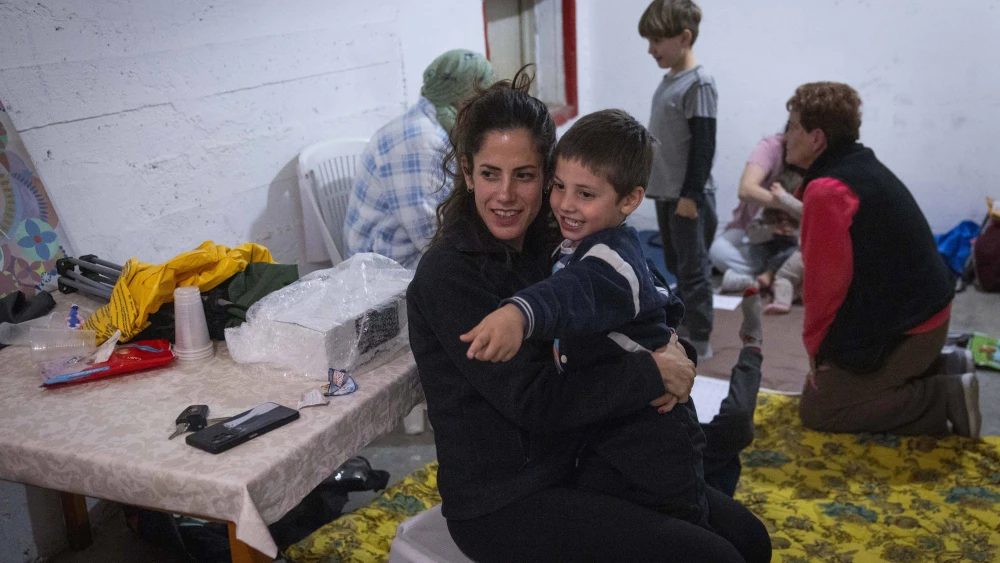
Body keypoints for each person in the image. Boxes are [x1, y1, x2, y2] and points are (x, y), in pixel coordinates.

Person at [407, 71, 771, 562]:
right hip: (506, 500)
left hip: (583, 459)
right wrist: (650, 373)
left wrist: (675, 353)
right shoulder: (448, 275)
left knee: (750, 538)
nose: (506, 195)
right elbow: (536, 402)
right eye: (490, 174)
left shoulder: (558, 238)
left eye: (526, 175)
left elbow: (638, 302)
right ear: (468, 173)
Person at [461, 108, 768, 504]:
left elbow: (575, 290)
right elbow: (664, 299)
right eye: (558, 186)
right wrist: (668, 335)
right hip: (607, 430)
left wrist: (518, 313)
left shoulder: (611, 258)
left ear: (630, 200)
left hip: (656, 437)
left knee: (688, 519)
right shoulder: (574, 242)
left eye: (585, 194)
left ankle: (748, 365)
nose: (565, 205)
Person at [786, 81, 981, 439]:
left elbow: (825, 288)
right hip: (928, 316)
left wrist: (818, 355)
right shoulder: (859, 165)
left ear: (816, 138)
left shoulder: (827, 190)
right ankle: (944, 367)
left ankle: (942, 397)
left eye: (792, 126)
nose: (785, 136)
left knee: (820, 409)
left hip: (913, 331)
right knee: (841, 383)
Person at [343, 49, 494, 269]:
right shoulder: (421, 143)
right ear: (462, 100)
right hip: (384, 274)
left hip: (405, 254)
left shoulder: (434, 124)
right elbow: (433, 238)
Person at [640, 0, 717, 360]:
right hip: (667, 193)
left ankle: (700, 337)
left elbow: (704, 144)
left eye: (657, 40)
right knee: (675, 263)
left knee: (693, 268)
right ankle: (683, 321)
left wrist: (691, 194)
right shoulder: (669, 80)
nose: (651, 49)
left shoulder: (699, 83)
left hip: (687, 196)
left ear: (684, 37)